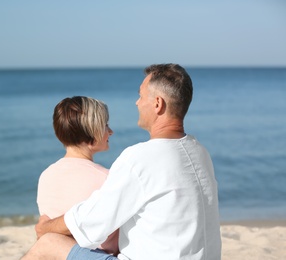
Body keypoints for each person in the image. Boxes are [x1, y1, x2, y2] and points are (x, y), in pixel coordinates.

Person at [22, 64, 222, 260]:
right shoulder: (200, 152)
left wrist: (45, 227)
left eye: (141, 96)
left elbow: (91, 222)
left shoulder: (140, 158)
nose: (136, 103)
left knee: (48, 243)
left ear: (157, 104)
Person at [35, 96, 119, 255]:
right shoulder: (107, 178)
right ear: (92, 134)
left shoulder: (46, 176)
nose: (110, 131)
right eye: (105, 125)